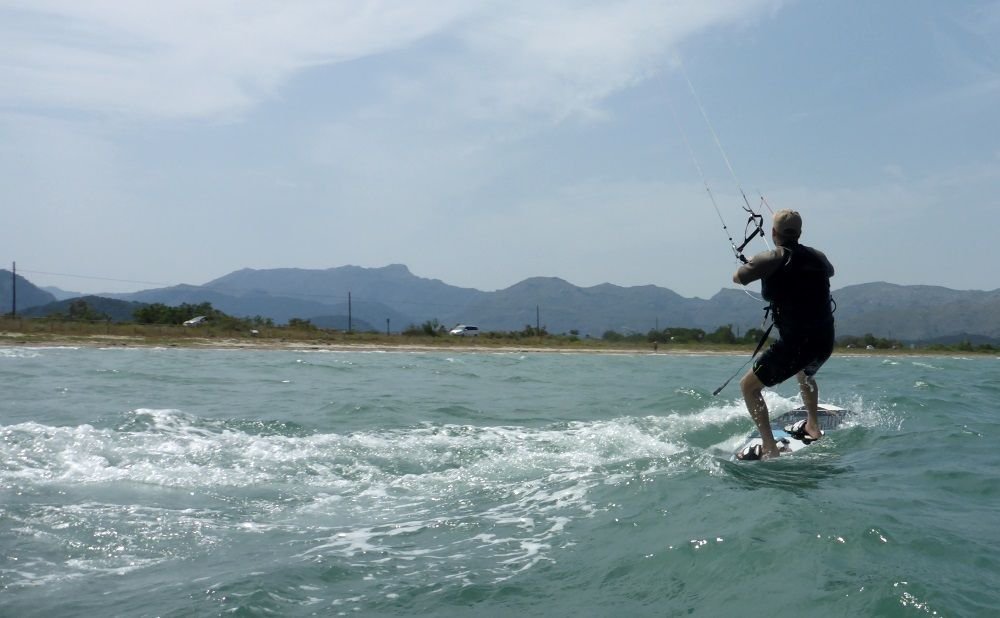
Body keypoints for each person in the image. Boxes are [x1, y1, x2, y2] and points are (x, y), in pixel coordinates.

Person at [732, 209, 835, 460]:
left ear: (773, 232)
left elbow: (738, 278)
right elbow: (830, 272)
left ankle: (770, 447)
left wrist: (758, 263)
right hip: (824, 341)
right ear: (800, 233)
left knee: (748, 387)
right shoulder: (819, 258)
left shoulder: (771, 258)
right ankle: (812, 425)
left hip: (796, 344)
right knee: (805, 372)